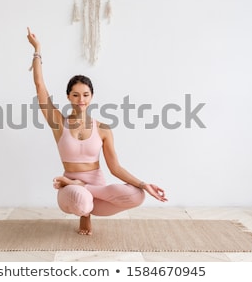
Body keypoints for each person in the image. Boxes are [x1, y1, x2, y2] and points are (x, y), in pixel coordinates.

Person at [26, 27, 167, 235]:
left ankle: (82, 188)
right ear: (68, 97)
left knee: (138, 196)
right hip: (70, 193)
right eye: (75, 95)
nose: (80, 100)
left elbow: (115, 167)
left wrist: (144, 184)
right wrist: (37, 49)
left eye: (85, 94)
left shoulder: (102, 129)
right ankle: (79, 197)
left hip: (98, 193)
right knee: (82, 202)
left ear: (91, 96)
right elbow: (40, 87)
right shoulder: (59, 123)